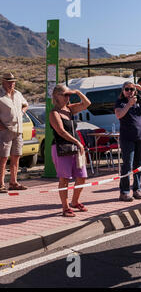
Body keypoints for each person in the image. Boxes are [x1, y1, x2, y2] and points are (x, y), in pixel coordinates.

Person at [49, 85, 91, 217]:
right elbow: (60, 131)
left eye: (69, 95)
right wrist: (77, 142)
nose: (68, 97)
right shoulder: (54, 113)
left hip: (75, 147)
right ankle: (65, 207)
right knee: (64, 179)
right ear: (56, 96)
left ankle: (75, 201)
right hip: (62, 148)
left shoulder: (69, 109)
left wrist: (77, 92)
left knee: (82, 176)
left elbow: (87, 104)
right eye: (65, 95)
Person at [115, 81, 141, 202]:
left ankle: (137, 189)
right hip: (127, 138)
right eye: (127, 89)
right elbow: (119, 115)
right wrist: (129, 104)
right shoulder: (121, 102)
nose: (129, 92)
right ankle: (124, 192)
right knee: (127, 165)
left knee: (139, 165)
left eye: (132, 89)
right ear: (123, 91)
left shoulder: (140, 101)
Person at [0, 73, 29, 193]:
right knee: (3, 158)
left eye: (13, 81)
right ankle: (1, 184)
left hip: (18, 130)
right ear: (3, 82)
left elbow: (26, 104)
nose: (11, 83)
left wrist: (22, 112)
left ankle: (13, 182)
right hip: (5, 130)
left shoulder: (18, 94)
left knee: (16, 156)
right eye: (9, 81)